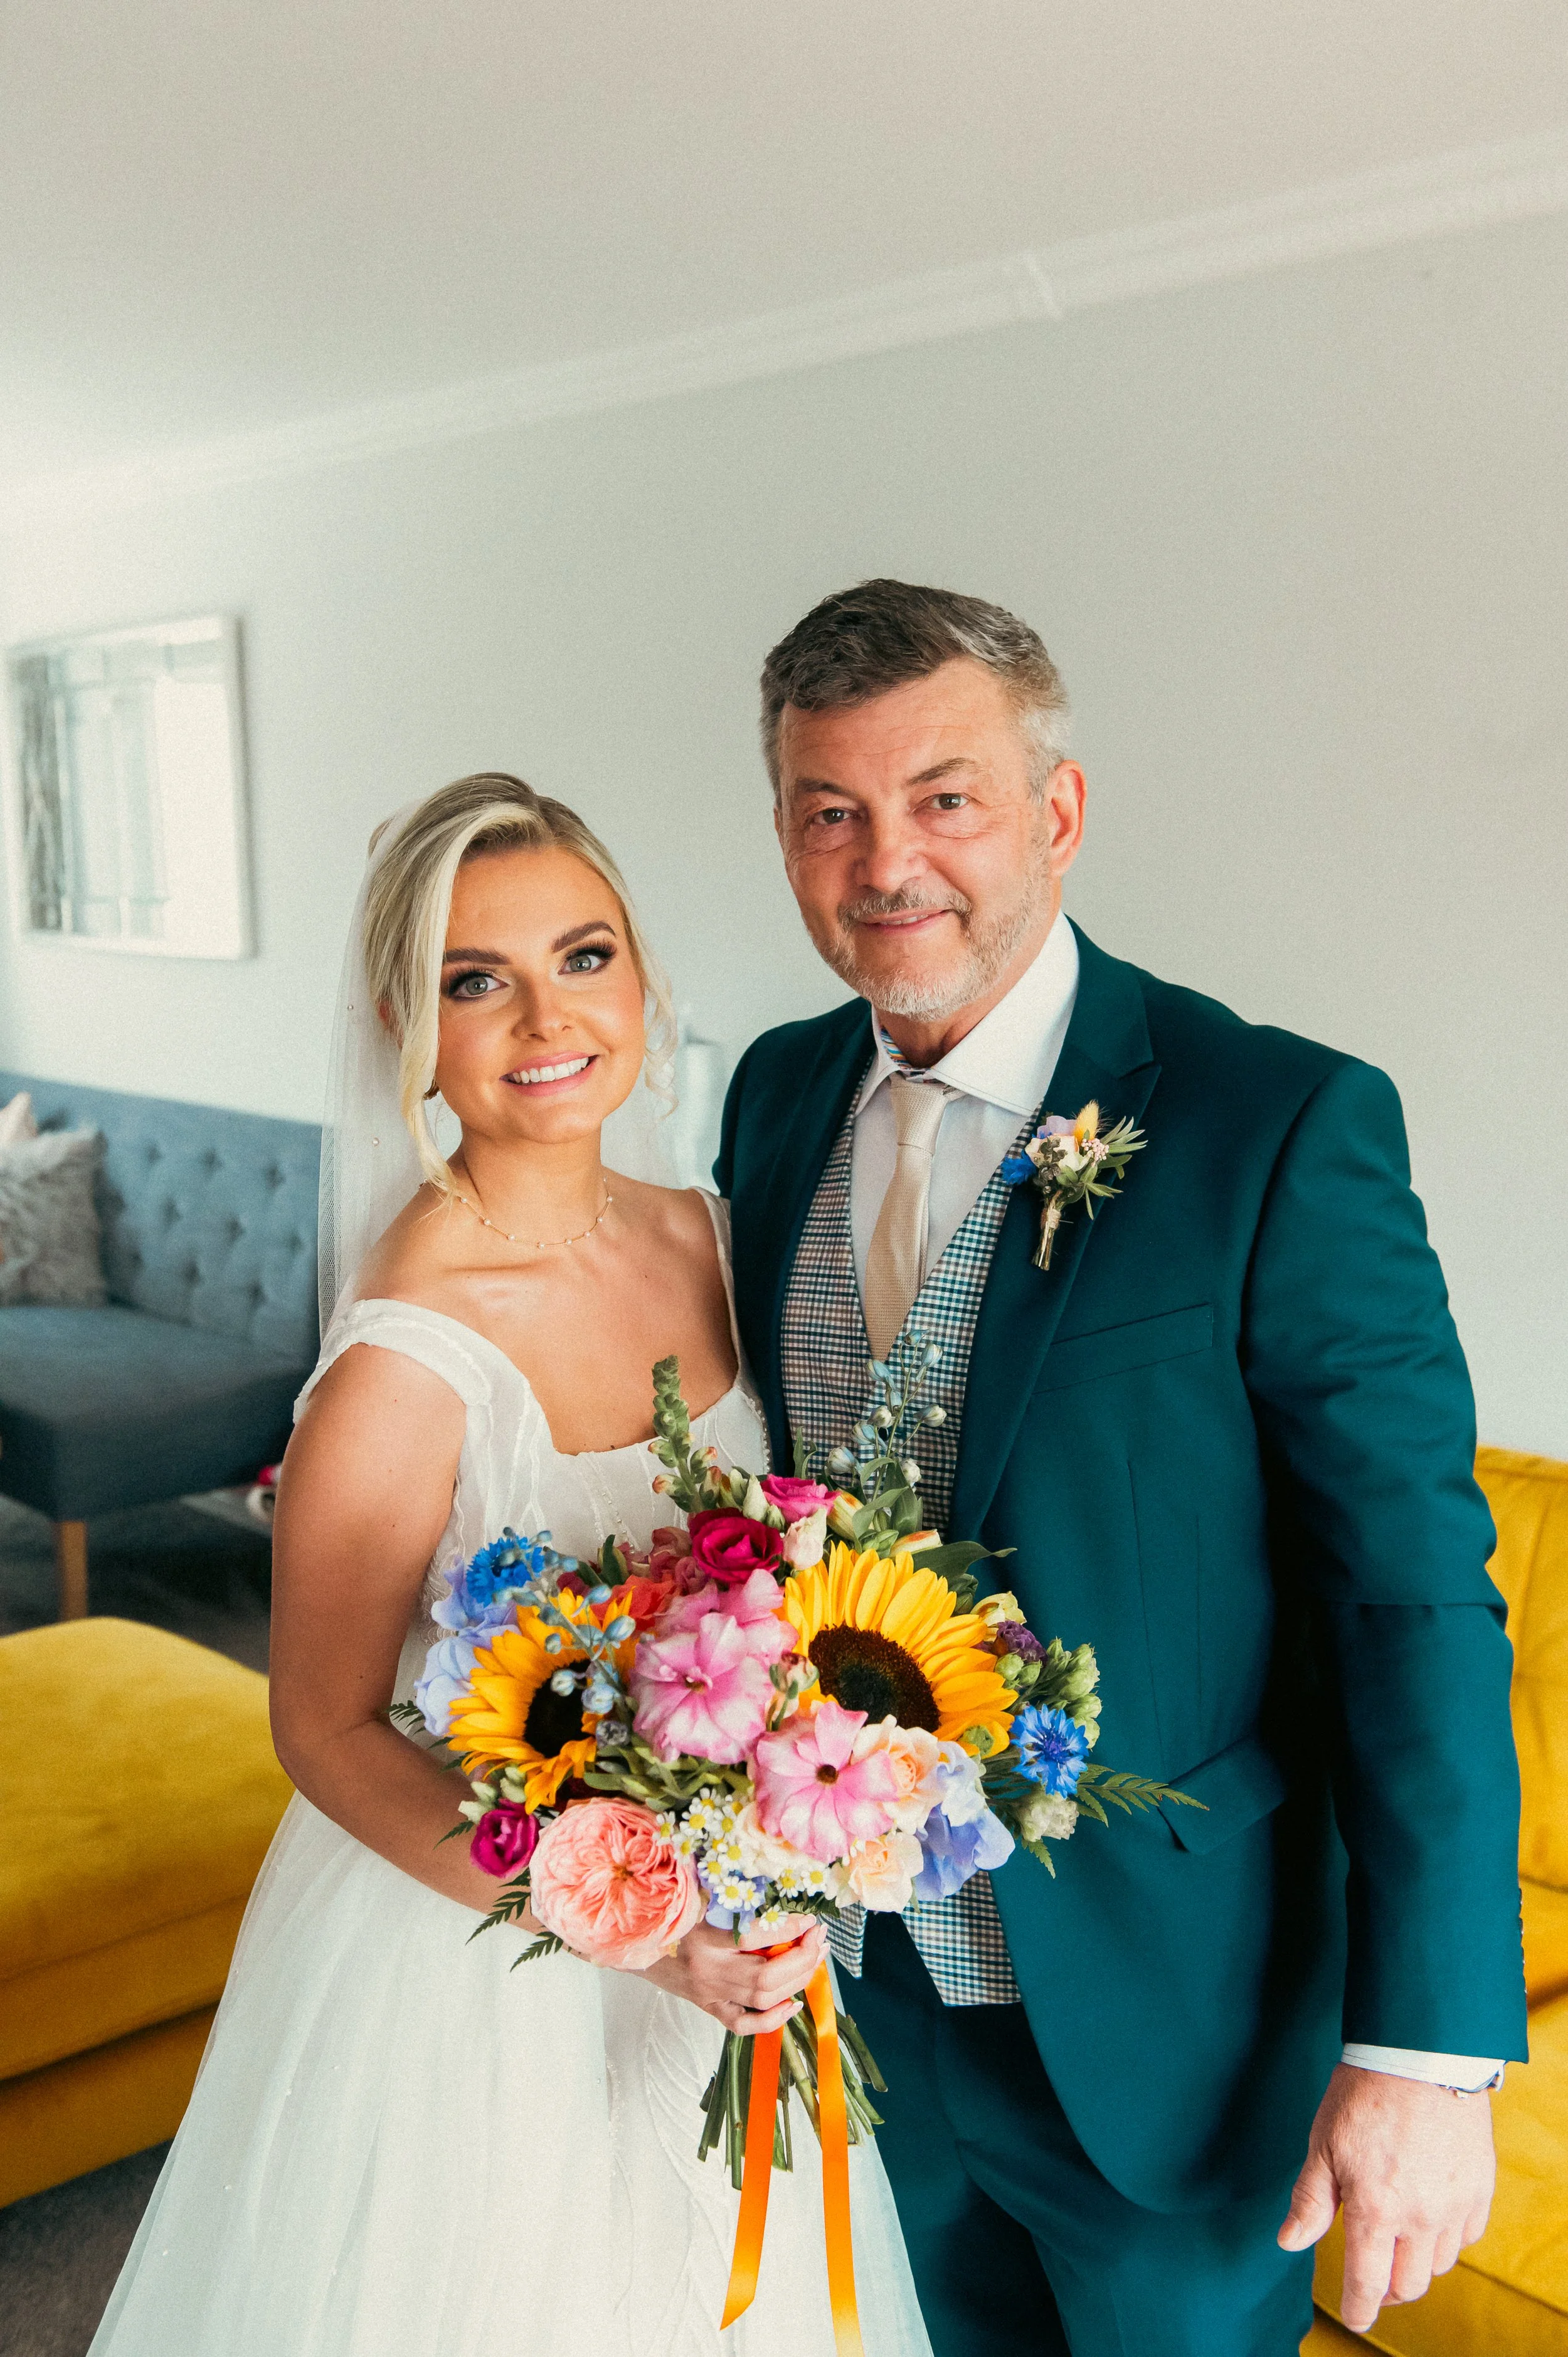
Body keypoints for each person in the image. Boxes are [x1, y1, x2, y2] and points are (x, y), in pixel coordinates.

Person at [714, 580, 1528, 2357]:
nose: (884, 863)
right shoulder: (774, 1096)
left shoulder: (1276, 1120)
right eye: (827, 811)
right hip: (864, 1996)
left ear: (1055, 812)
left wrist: (1423, 2049)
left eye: (944, 797)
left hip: (1172, 2025)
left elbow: (1407, 1594)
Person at [89, 773, 931, 2357]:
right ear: (412, 1022)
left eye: (583, 955)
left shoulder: (710, 1233)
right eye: (478, 980)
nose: (547, 1015)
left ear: (641, 977)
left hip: (726, 1934)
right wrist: (627, 1922)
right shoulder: (405, 1354)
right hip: (487, 1960)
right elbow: (324, 1729)